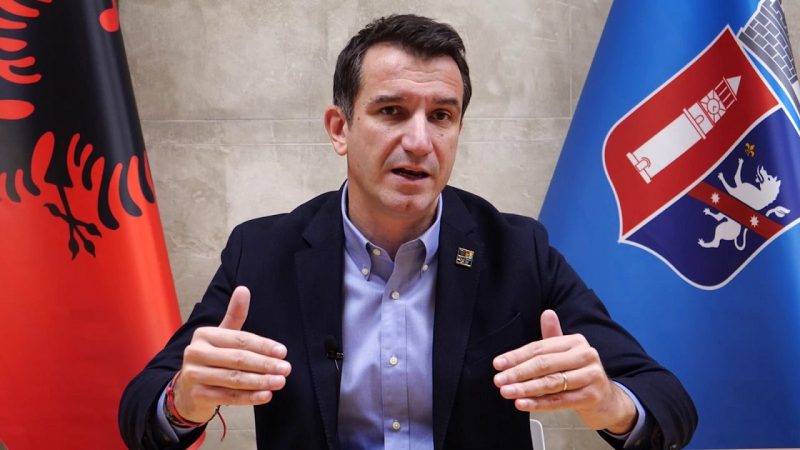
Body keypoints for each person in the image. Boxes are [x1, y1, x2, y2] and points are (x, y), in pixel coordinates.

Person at [119, 14, 697, 450]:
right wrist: (184, 400)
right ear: (340, 128)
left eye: (441, 116)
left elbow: (669, 404)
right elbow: (141, 412)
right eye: (392, 111)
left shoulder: (518, 251)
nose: (419, 141)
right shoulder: (264, 252)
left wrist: (610, 403)